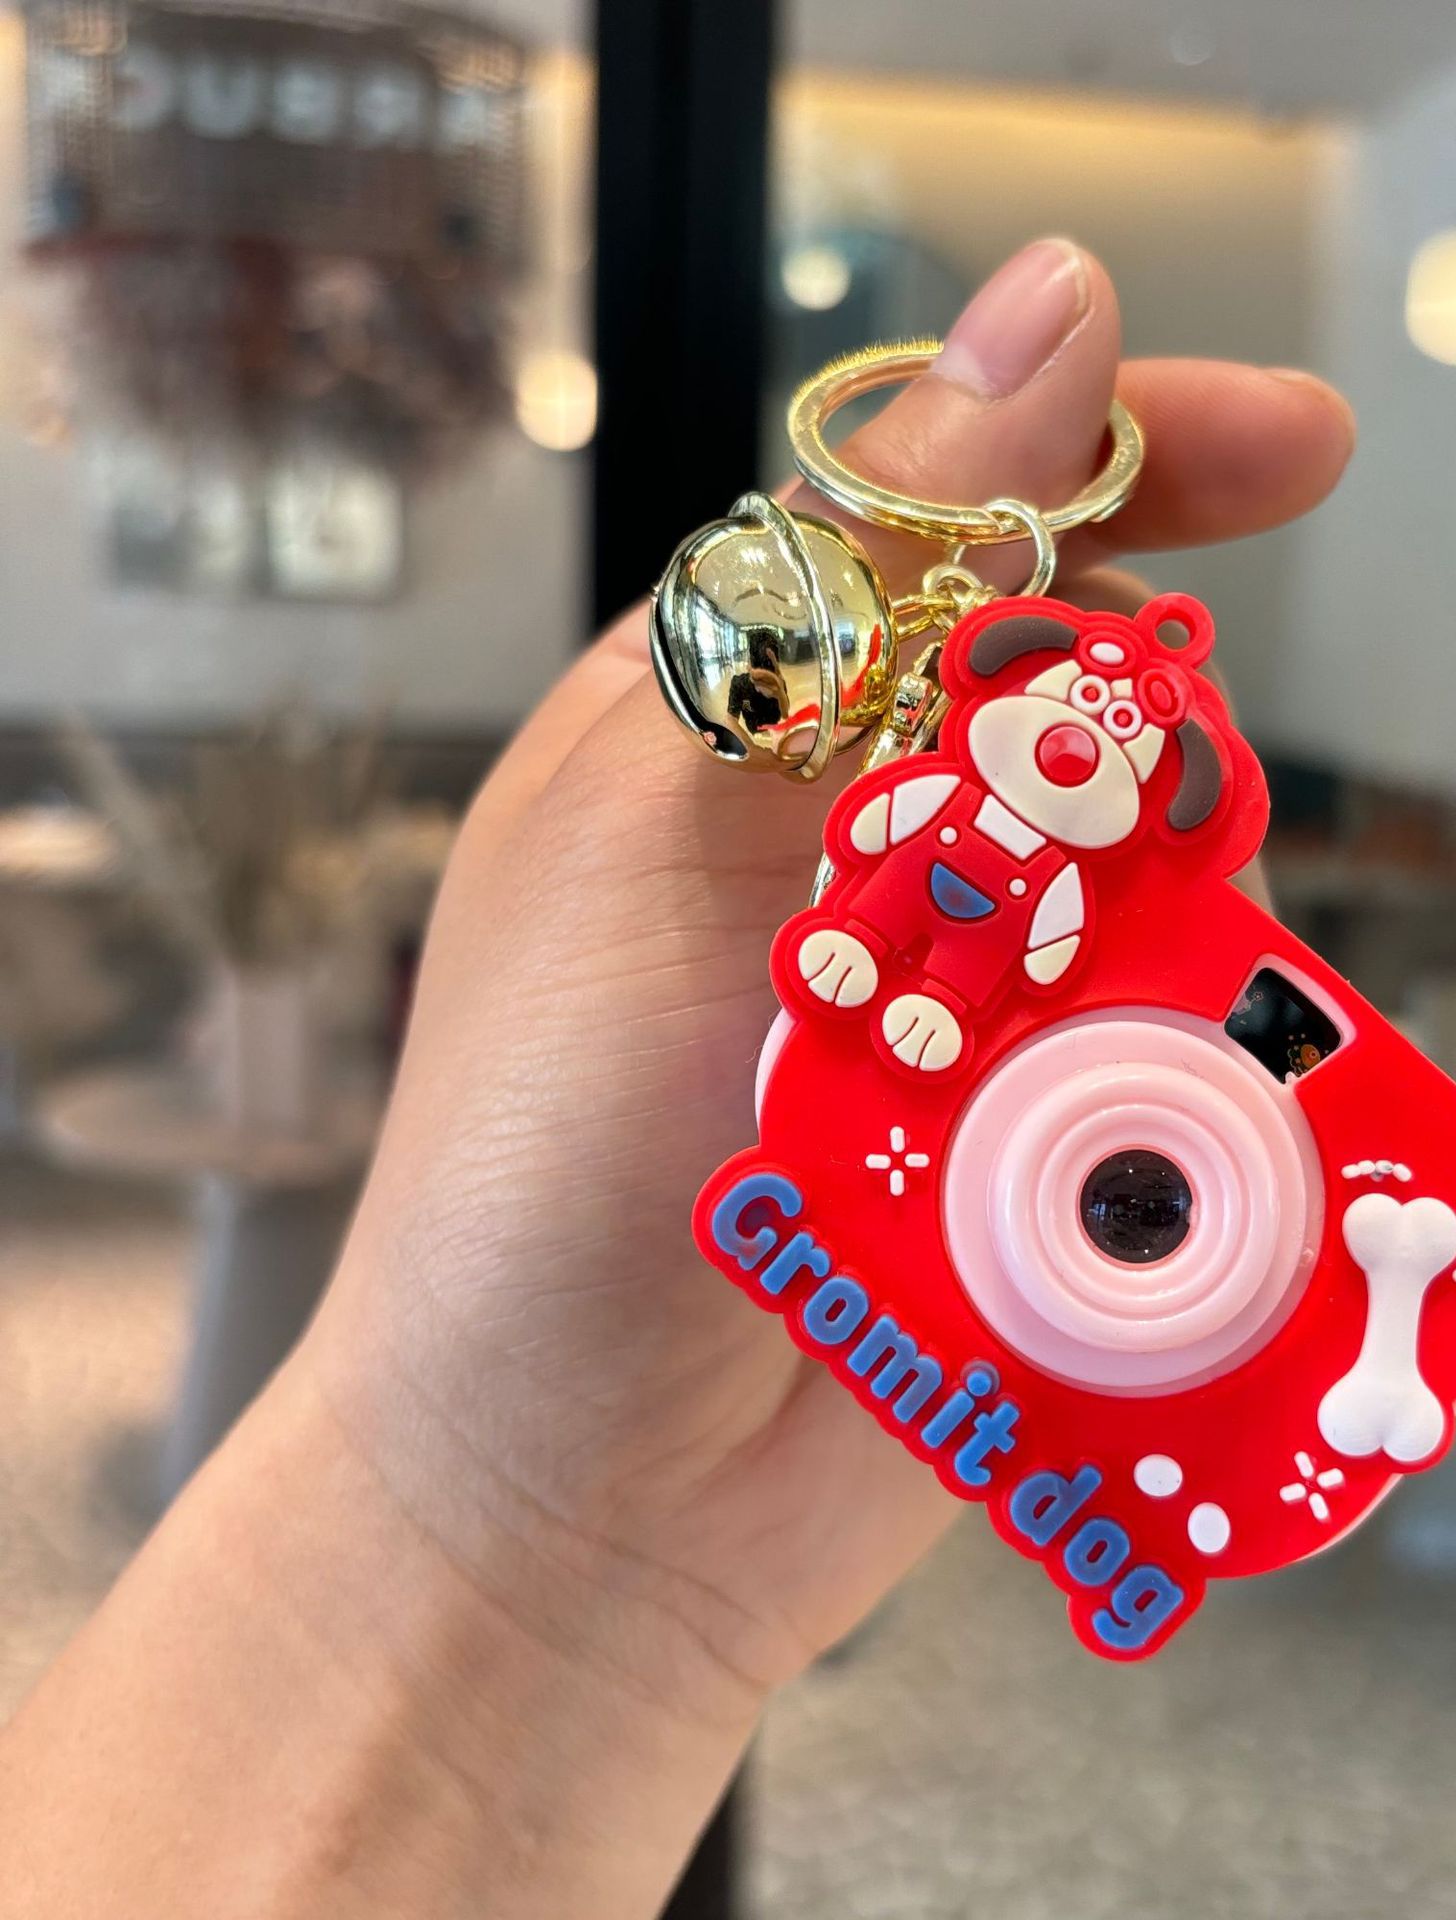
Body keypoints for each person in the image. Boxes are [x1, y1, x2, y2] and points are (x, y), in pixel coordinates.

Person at [0, 239, 1353, 1917]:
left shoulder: (1073, 861)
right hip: (884, 969)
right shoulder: (923, 762)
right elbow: (883, 818)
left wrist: (520, 1555)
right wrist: (502, 1526)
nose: (1081, 748)